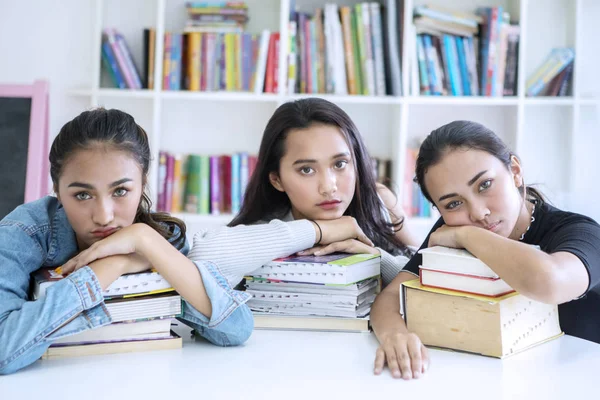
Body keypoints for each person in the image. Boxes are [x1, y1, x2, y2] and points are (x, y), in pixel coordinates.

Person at [0, 108, 371, 375]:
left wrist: (146, 243)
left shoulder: (157, 238)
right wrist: (108, 268)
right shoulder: (25, 233)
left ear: (144, 184)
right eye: (82, 195)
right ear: (56, 189)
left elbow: (235, 329)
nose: (105, 215)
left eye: (121, 191)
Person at [370, 120, 600, 380]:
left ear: (514, 171)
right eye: (453, 203)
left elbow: (549, 282)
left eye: (485, 185)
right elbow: (390, 297)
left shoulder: (581, 231)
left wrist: (468, 234)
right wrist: (395, 335)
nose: (478, 213)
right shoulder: (451, 226)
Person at [223, 98, 419, 286]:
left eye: (340, 164)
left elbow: (424, 275)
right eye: (306, 170)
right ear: (277, 179)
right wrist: (318, 231)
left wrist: (378, 258)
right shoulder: (261, 233)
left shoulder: (379, 200)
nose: (328, 187)